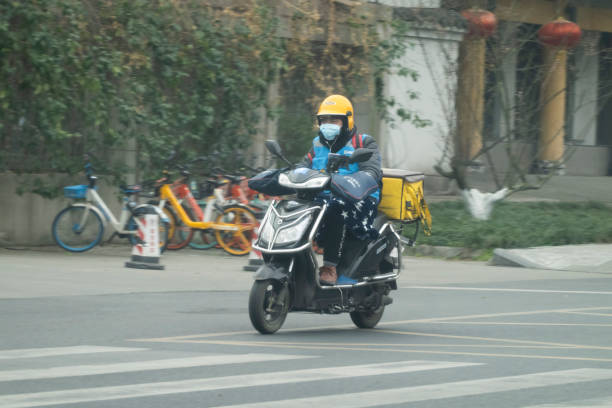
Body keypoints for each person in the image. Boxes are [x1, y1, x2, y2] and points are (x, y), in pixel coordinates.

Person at [299, 94, 383, 285]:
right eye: (324, 120)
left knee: (336, 207)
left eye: (334, 120)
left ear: (347, 121)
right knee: (294, 207)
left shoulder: (363, 143)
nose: (327, 124)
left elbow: (372, 170)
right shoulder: (317, 144)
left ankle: (330, 267)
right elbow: (302, 167)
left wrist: (355, 180)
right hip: (325, 197)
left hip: (359, 198)